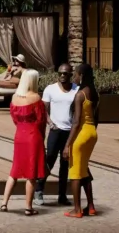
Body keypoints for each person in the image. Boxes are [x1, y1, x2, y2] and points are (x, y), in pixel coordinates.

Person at [0, 69, 45, 216]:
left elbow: (14, 118)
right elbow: (41, 121)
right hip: (33, 136)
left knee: (14, 170)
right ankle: (28, 207)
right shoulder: (36, 98)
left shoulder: (15, 98)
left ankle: (4, 203)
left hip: (19, 135)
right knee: (31, 173)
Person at [35, 63, 76, 207]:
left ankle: (62, 195)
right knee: (49, 161)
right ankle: (39, 189)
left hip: (69, 132)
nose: (62, 76)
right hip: (55, 131)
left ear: (71, 74)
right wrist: (50, 123)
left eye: (65, 73)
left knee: (65, 165)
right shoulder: (50, 89)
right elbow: (43, 109)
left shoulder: (76, 90)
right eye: (60, 73)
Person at [64, 63, 99, 218]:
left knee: (74, 172)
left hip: (82, 133)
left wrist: (67, 145)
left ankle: (77, 209)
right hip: (92, 133)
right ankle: (90, 206)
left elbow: (76, 122)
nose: (74, 77)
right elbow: (96, 118)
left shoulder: (80, 95)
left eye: (76, 74)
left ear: (82, 76)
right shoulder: (93, 93)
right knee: (84, 168)